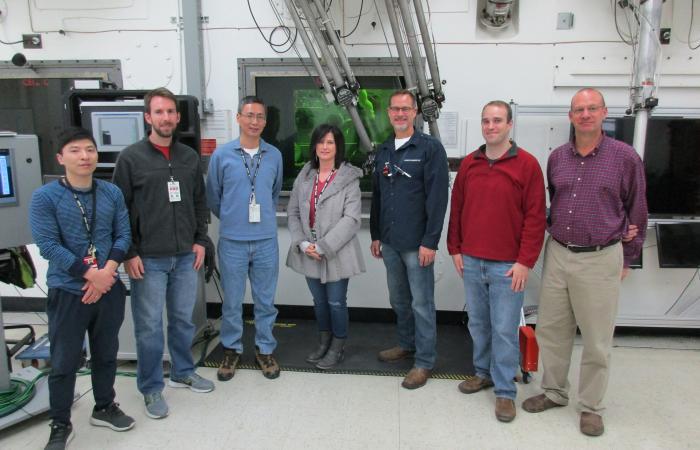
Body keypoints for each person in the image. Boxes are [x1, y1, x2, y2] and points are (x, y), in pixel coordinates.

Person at [522, 88, 648, 436]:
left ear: (604, 113)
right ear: (571, 116)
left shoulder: (625, 158)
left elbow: (637, 209)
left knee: (595, 338)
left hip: (600, 257)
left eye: (592, 108)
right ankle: (554, 391)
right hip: (559, 252)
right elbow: (554, 201)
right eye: (579, 109)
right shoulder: (557, 158)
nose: (586, 114)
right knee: (551, 329)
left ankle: (591, 407)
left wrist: (630, 256)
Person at [112, 87, 214, 420]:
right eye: (159, 112)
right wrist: (129, 252)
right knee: (149, 327)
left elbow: (200, 203)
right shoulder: (130, 159)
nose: (166, 118)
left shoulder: (188, 157)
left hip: (186, 255)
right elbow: (119, 210)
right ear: (147, 117)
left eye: (170, 112)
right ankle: (152, 387)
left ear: (177, 117)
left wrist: (200, 239)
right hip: (148, 259)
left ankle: (183, 371)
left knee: (184, 320)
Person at [30, 127, 134, 450]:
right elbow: (48, 245)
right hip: (68, 291)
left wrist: (107, 273)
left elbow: (123, 236)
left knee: (106, 353)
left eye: (89, 149)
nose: (84, 156)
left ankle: (104, 406)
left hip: (109, 287)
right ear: (61, 157)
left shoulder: (111, 193)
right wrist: (91, 275)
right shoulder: (45, 197)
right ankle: (60, 422)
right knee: (63, 361)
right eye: (75, 150)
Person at [447, 101, 546, 422]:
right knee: (478, 322)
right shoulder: (470, 164)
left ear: (509, 125)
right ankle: (483, 373)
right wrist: (455, 249)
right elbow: (457, 208)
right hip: (472, 260)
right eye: (486, 121)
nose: (491, 126)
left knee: (504, 329)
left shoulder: (527, 165)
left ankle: (505, 392)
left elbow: (535, 218)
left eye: (497, 121)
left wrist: (525, 262)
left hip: (508, 266)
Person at [369, 89, 449, 389]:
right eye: (395, 109)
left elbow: (438, 199)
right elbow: (378, 195)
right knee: (399, 300)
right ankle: (407, 344)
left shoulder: (429, 148)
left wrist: (430, 241)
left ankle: (425, 361)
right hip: (389, 241)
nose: (400, 114)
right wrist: (376, 234)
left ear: (415, 112)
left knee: (422, 304)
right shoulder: (384, 149)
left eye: (406, 109)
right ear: (388, 113)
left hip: (418, 245)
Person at [206, 96, 283, 381]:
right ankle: (231, 349)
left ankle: (264, 349)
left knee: (265, 301)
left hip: (265, 240)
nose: (254, 122)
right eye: (249, 115)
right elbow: (213, 197)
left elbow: (273, 193)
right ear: (238, 118)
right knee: (232, 302)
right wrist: (232, 216)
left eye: (260, 117)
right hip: (233, 241)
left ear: (265, 121)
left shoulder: (274, 155)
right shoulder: (222, 155)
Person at [286, 123, 365, 369]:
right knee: (319, 302)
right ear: (314, 146)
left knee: (335, 302)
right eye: (321, 142)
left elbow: (352, 219)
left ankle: (337, 346)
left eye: (330, 142)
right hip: (308, 250)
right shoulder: (305, 175)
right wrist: (302, 243)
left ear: (338, 146)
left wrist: (322, 247)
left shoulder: (349, 178)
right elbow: (293, 212)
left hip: (336, 252)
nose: (325, 146)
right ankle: (324, 342)